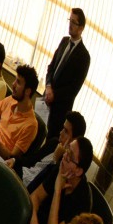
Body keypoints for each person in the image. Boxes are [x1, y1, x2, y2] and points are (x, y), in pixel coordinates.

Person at [41, 8, 90, 156]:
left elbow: (74, 89)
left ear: (81, 28)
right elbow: (51, 67)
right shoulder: (63, 41)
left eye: (74, 23)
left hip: (60, 107)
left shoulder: (84, 56)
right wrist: (48, 86)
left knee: (50, 143)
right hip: (46, 97)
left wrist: (55, 95)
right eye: (70, 21)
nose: (70, 25)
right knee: (37, 129)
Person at [28, 137, 94, 224]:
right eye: (67, 150)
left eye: (69, 156)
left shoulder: (82, 202)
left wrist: (57, 190)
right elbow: (35, 196)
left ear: (78, 171)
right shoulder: (62, 167)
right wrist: (33, 221)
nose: (64, 156)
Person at [0, 64, 38, 161]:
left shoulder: (31, 125)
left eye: (18, 82)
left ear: (27, 91)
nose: (13, 84)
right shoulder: (11, 100)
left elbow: (11, 156)